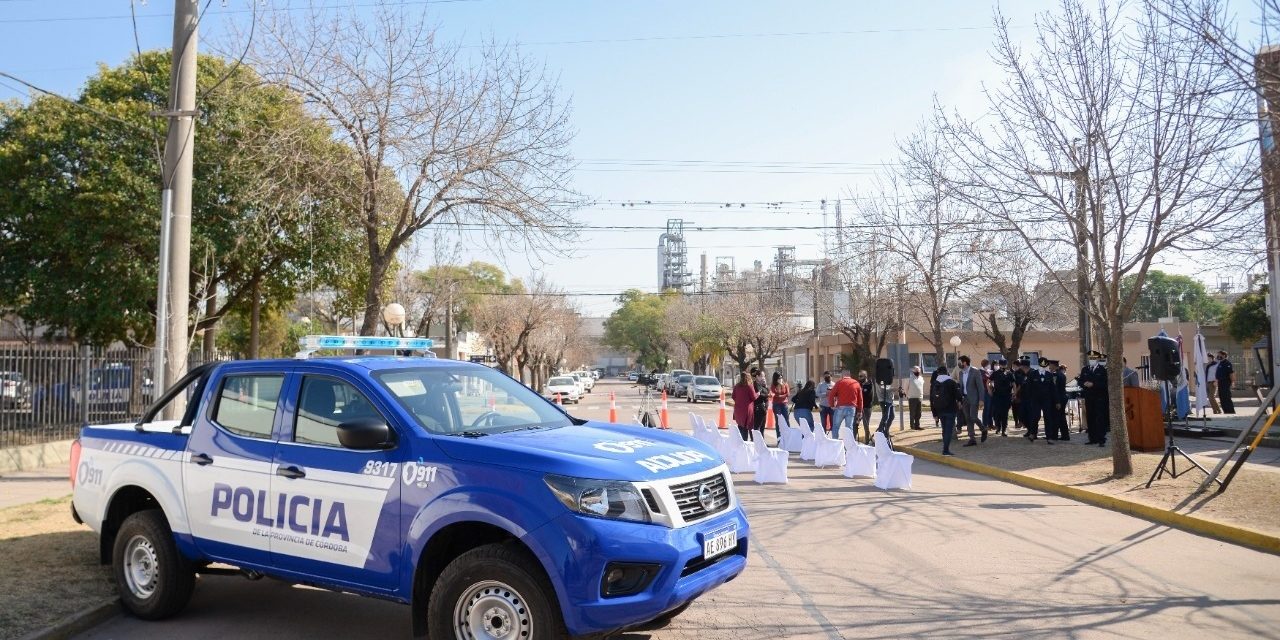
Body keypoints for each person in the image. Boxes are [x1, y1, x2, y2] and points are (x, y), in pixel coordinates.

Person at [1080, 350, 1110, 447]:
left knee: (1100, 418)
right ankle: (1092, 438)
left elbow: (1105, 384)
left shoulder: (1102, 370)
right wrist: (1084, 384)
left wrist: (1094, 384)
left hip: (1099, 398)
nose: (1092, 360)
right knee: (1090, 418)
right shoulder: (1085, 369)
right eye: (1090, 358)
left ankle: (1101, 439)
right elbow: (1080, 381)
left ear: (1097, 359)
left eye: (1093, 358)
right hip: (1089, 398)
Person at [957, 356, 986, 446]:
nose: (958, 364)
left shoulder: (975, 371)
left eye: (960, 362)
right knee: (968, 418)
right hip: (965, 398)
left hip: (974, 398)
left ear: (965, 362)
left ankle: (983, 429)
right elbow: (961, 387)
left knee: (973, 417)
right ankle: (972, 438)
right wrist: (959, 400)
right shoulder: (961, 373)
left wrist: (981, 400)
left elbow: (980, 387)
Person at [827, 370, 863, 441]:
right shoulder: (856, 383)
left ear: (842, 376)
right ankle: (849, 446)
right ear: (849, 375)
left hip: (840, 407)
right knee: (849, 428)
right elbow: (860, 399)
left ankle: (835, 443)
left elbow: (831, 394)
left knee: (836, 427)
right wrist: (860, 411)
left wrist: (832, 405)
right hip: (852, 408)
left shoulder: (839, 383)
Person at [933, 366, 961, 456]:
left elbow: (931, 399)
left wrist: (934, 413)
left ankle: (945, 448)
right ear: (947, 372)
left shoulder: (934, 383)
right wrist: (960, 402)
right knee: (948, 430)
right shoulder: (951, 382)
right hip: (950, 409)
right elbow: (958, 395)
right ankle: (945, 450)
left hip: (940, 410)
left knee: (944, 429)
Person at [1016, 357, 1045, 441]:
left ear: (1024, 366)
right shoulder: (1021, 373)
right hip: (1023, 397)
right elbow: (1020, 385)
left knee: (1033, 416)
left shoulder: (1034, 373)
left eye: (1021, 365)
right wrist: (1015, 394)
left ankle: (1033, 432)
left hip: (1032, 398)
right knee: (1022, 415)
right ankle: (1029, 429)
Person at [1045, 359, 1070, 441]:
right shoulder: (1060, 374)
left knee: (1055, 417)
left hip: (1058, 398)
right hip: (1062, 397)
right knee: (1061, 417)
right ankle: (1065, 435)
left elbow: (1055, 389)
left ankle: (1054, 435)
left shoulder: (1055, 375)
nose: (1049, 366)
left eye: (1050, 365)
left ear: (1053, 365)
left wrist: (1057, 401)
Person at [989, 358, 1014, 436]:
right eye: (1001, 364)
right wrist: (989, 390)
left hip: (1006, 396)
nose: (1003, 366)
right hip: (997, 396)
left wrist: (1014, 393)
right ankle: (998, 427)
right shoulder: (995, 373)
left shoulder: (1009, 373)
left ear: (1006, 365)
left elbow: (1013, 384)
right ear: (999, 365)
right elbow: (988, 382)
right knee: (996, 413)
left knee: (1005, 414)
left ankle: (1004, 430)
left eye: (1004, 364)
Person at [731, 372, 757, 441]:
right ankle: (745, 443)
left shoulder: (736, 386)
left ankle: (740, 442)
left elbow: (733, 396)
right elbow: (754, 397)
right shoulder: (749, 386)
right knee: (746, 427)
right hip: (747, 410)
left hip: (738, 409)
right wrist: (758, 394)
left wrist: (739, 400)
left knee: (740, 426)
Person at [769, 372, 791, 439]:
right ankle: (779, 438)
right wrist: (779, 387)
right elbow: (774, 394)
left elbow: (788, 394)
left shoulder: (785, 384)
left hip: (784, 404)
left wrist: (780, 395)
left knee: (786, 420)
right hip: (776, 404)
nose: (780, 379)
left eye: (781, 377)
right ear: (775, 379)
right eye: (779, 378)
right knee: (778, 421)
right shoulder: (773, 385)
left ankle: (788, 437)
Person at [751, 368, 770, 435]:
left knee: (762, 428)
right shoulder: (755, 385)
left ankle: (761, 443)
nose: (763, 378)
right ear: (757, 376)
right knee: (756, 428)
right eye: (762, 376)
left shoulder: (762, 385)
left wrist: (765, 387)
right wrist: (767, 394)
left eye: (764, 376)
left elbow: (767, 392)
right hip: (757, 409)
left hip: (763, 409)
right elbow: (759, 395)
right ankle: (756, 442)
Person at [857, 370, 874, 443]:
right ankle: (853, 441)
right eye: (859, 376)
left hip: (867, 408)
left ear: (865, 376)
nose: (859, 378)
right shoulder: (859, 385)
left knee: (866, 426)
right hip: (859, 408)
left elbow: (868, 396)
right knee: (855, 424)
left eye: (861, 376)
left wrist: (861, 390)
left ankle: (867, 441)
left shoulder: (869, 384)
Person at [906, 366, 925, 430]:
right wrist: (907, 395)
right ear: (913, 371)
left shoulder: (921, 378)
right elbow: (906, 387)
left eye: (918, 371)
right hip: (912, 398)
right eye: (916, 371)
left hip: (919, 397)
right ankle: (912, 426)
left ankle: (917, 425)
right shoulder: (910, 378)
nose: (917, 372)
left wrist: (922, 396)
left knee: (919, 413)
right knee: (912, 413)